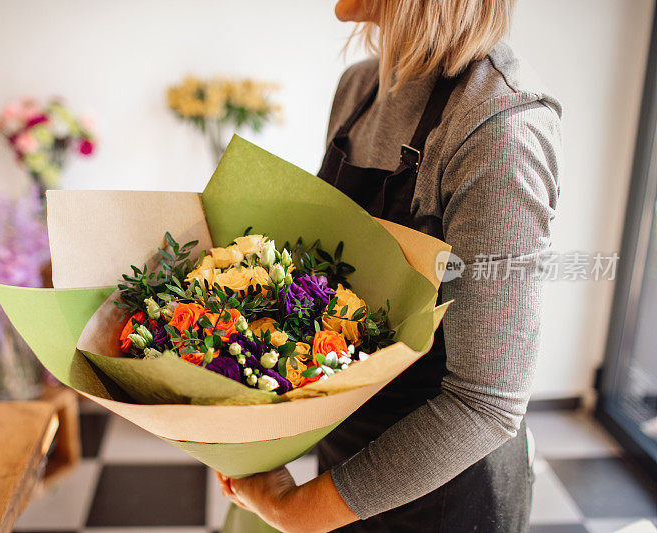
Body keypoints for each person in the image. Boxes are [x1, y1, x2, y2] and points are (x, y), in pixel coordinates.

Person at [216, 0, 562, 531]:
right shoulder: (359, 89)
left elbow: (486, 404)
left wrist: (298, 512)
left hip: (443, 496)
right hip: (347, 459)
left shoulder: (497, 129)